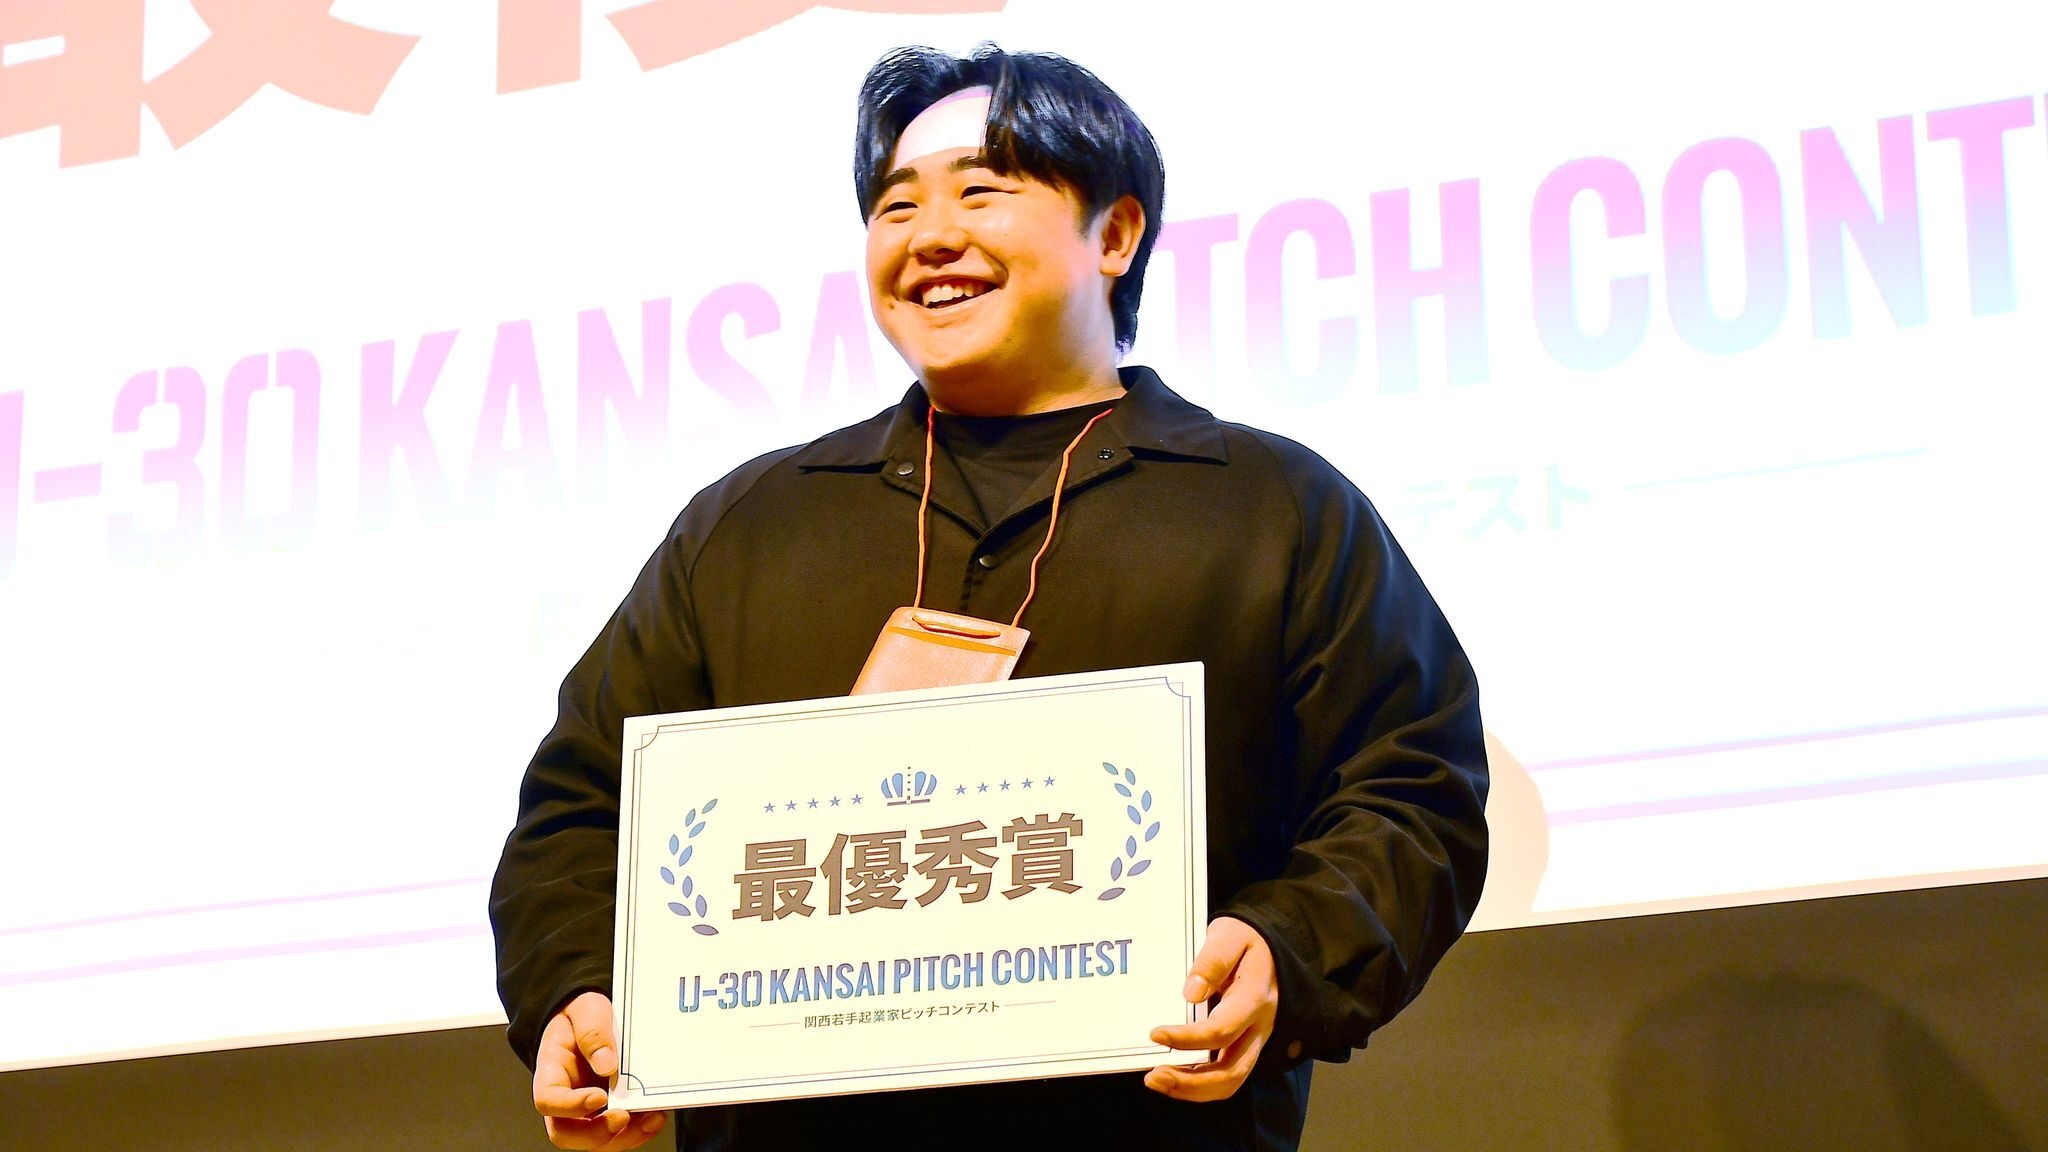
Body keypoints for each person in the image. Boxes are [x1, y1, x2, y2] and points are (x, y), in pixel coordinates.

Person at [490, 43, 1488, 1152]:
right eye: (895, 205)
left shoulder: (1271, 508)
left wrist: (1285, 950)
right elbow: (581, 804)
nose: (929, 236)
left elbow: (1412, 788)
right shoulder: (748, 528)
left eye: (980, 191)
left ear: (1115, 234)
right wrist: (580, 986)